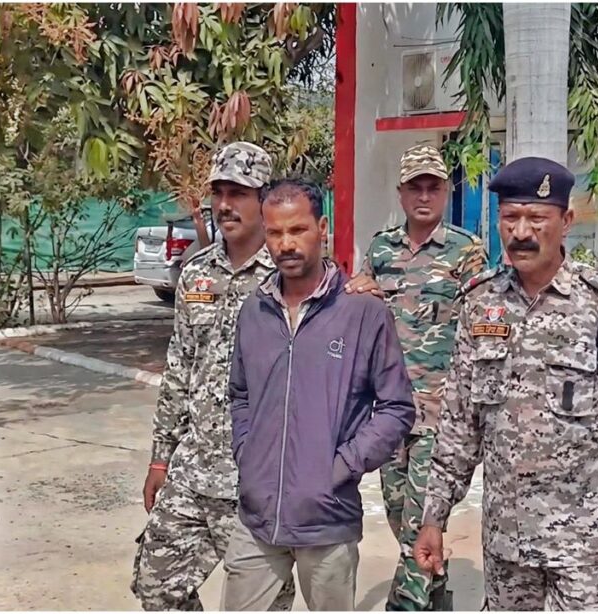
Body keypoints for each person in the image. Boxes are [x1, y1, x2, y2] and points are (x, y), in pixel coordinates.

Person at [412, 157, 598, 611]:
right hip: (507, 542)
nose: (521, 232)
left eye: (536, 218)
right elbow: (459, 427)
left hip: (585, 545)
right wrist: (434, 517)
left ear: (566, 221)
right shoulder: (480, 302)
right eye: (510, 218)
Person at [222, 179, 415, 611]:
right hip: (256, 519)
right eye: (275, 232)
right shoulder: (254, 311)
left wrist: (342, 466)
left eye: (298, 230)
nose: (286, 244)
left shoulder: (362, 311)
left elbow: (396, 407)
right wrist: (248, 454)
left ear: (322, 228)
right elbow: (240, 394)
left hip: (327, 520)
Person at [131, 142, 298, 611]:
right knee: (157, 588)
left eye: (238, 193)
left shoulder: (290, 276)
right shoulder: (196, 272)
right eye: (219, 192)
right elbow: (180, 366)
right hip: (194, 467)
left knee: (263, 604)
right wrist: (160, 459)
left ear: (264, 198)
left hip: (259, 478)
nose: (225, 204)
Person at [346, 144, 487, 611]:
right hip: (387, 413)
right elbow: (358, 303)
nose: (424, 196)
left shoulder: (466, 251)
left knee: (418, 524)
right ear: (401, 193)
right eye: (415, 187)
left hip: (440, 416)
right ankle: (436, 595)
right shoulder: (381, 248)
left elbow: (483, 324)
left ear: (445, 192)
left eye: (433, 187)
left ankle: (403, 606)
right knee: (398, 515)